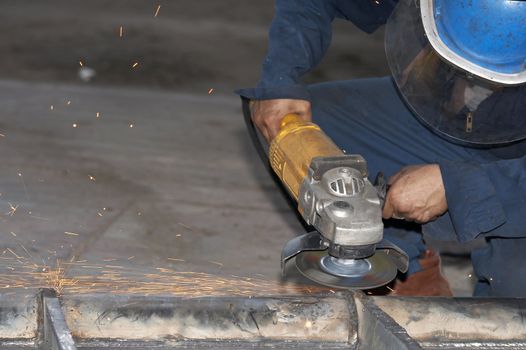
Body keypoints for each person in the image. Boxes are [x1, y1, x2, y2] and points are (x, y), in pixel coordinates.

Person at [237, 0, 526, 297]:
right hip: (466, 119)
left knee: (516, 287)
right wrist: (282, 77)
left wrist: (457, 186)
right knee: (297, 134)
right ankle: (402, 274)